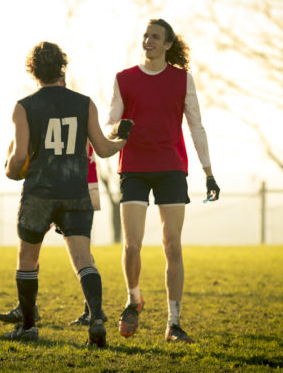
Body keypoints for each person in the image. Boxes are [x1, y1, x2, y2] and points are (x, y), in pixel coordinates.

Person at [4, 41, 132, 347]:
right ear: (63, 67)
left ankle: (28, 326)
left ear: (33, 70)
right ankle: (97, 319)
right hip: (75, 191)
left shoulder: (24, 107)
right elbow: (102, 148)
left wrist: (9, 169)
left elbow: (19, 159)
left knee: (27, 257)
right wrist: (123, 140)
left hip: (39, 193)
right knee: (83, 259)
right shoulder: (84, 103)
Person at [106, 19, 220, 343]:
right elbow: (110, 122)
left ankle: (173, 322)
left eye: (155, 37)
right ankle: (133, 299)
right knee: (132, 244)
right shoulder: (124, 79)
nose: (148, 41)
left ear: (168, 44)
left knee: (172, 245)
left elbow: (196, 127)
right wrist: (117, 131)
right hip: (133, 167)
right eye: (145, 35)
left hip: (171, 167)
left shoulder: (183, 80)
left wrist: (208, 171)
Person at [0, 143, 107, 326]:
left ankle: (92, 309)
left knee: (70, 250)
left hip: (62, 184)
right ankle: (28, 308)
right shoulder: (76, 115)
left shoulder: (62, 117)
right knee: (68, 248)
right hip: (66, 181)